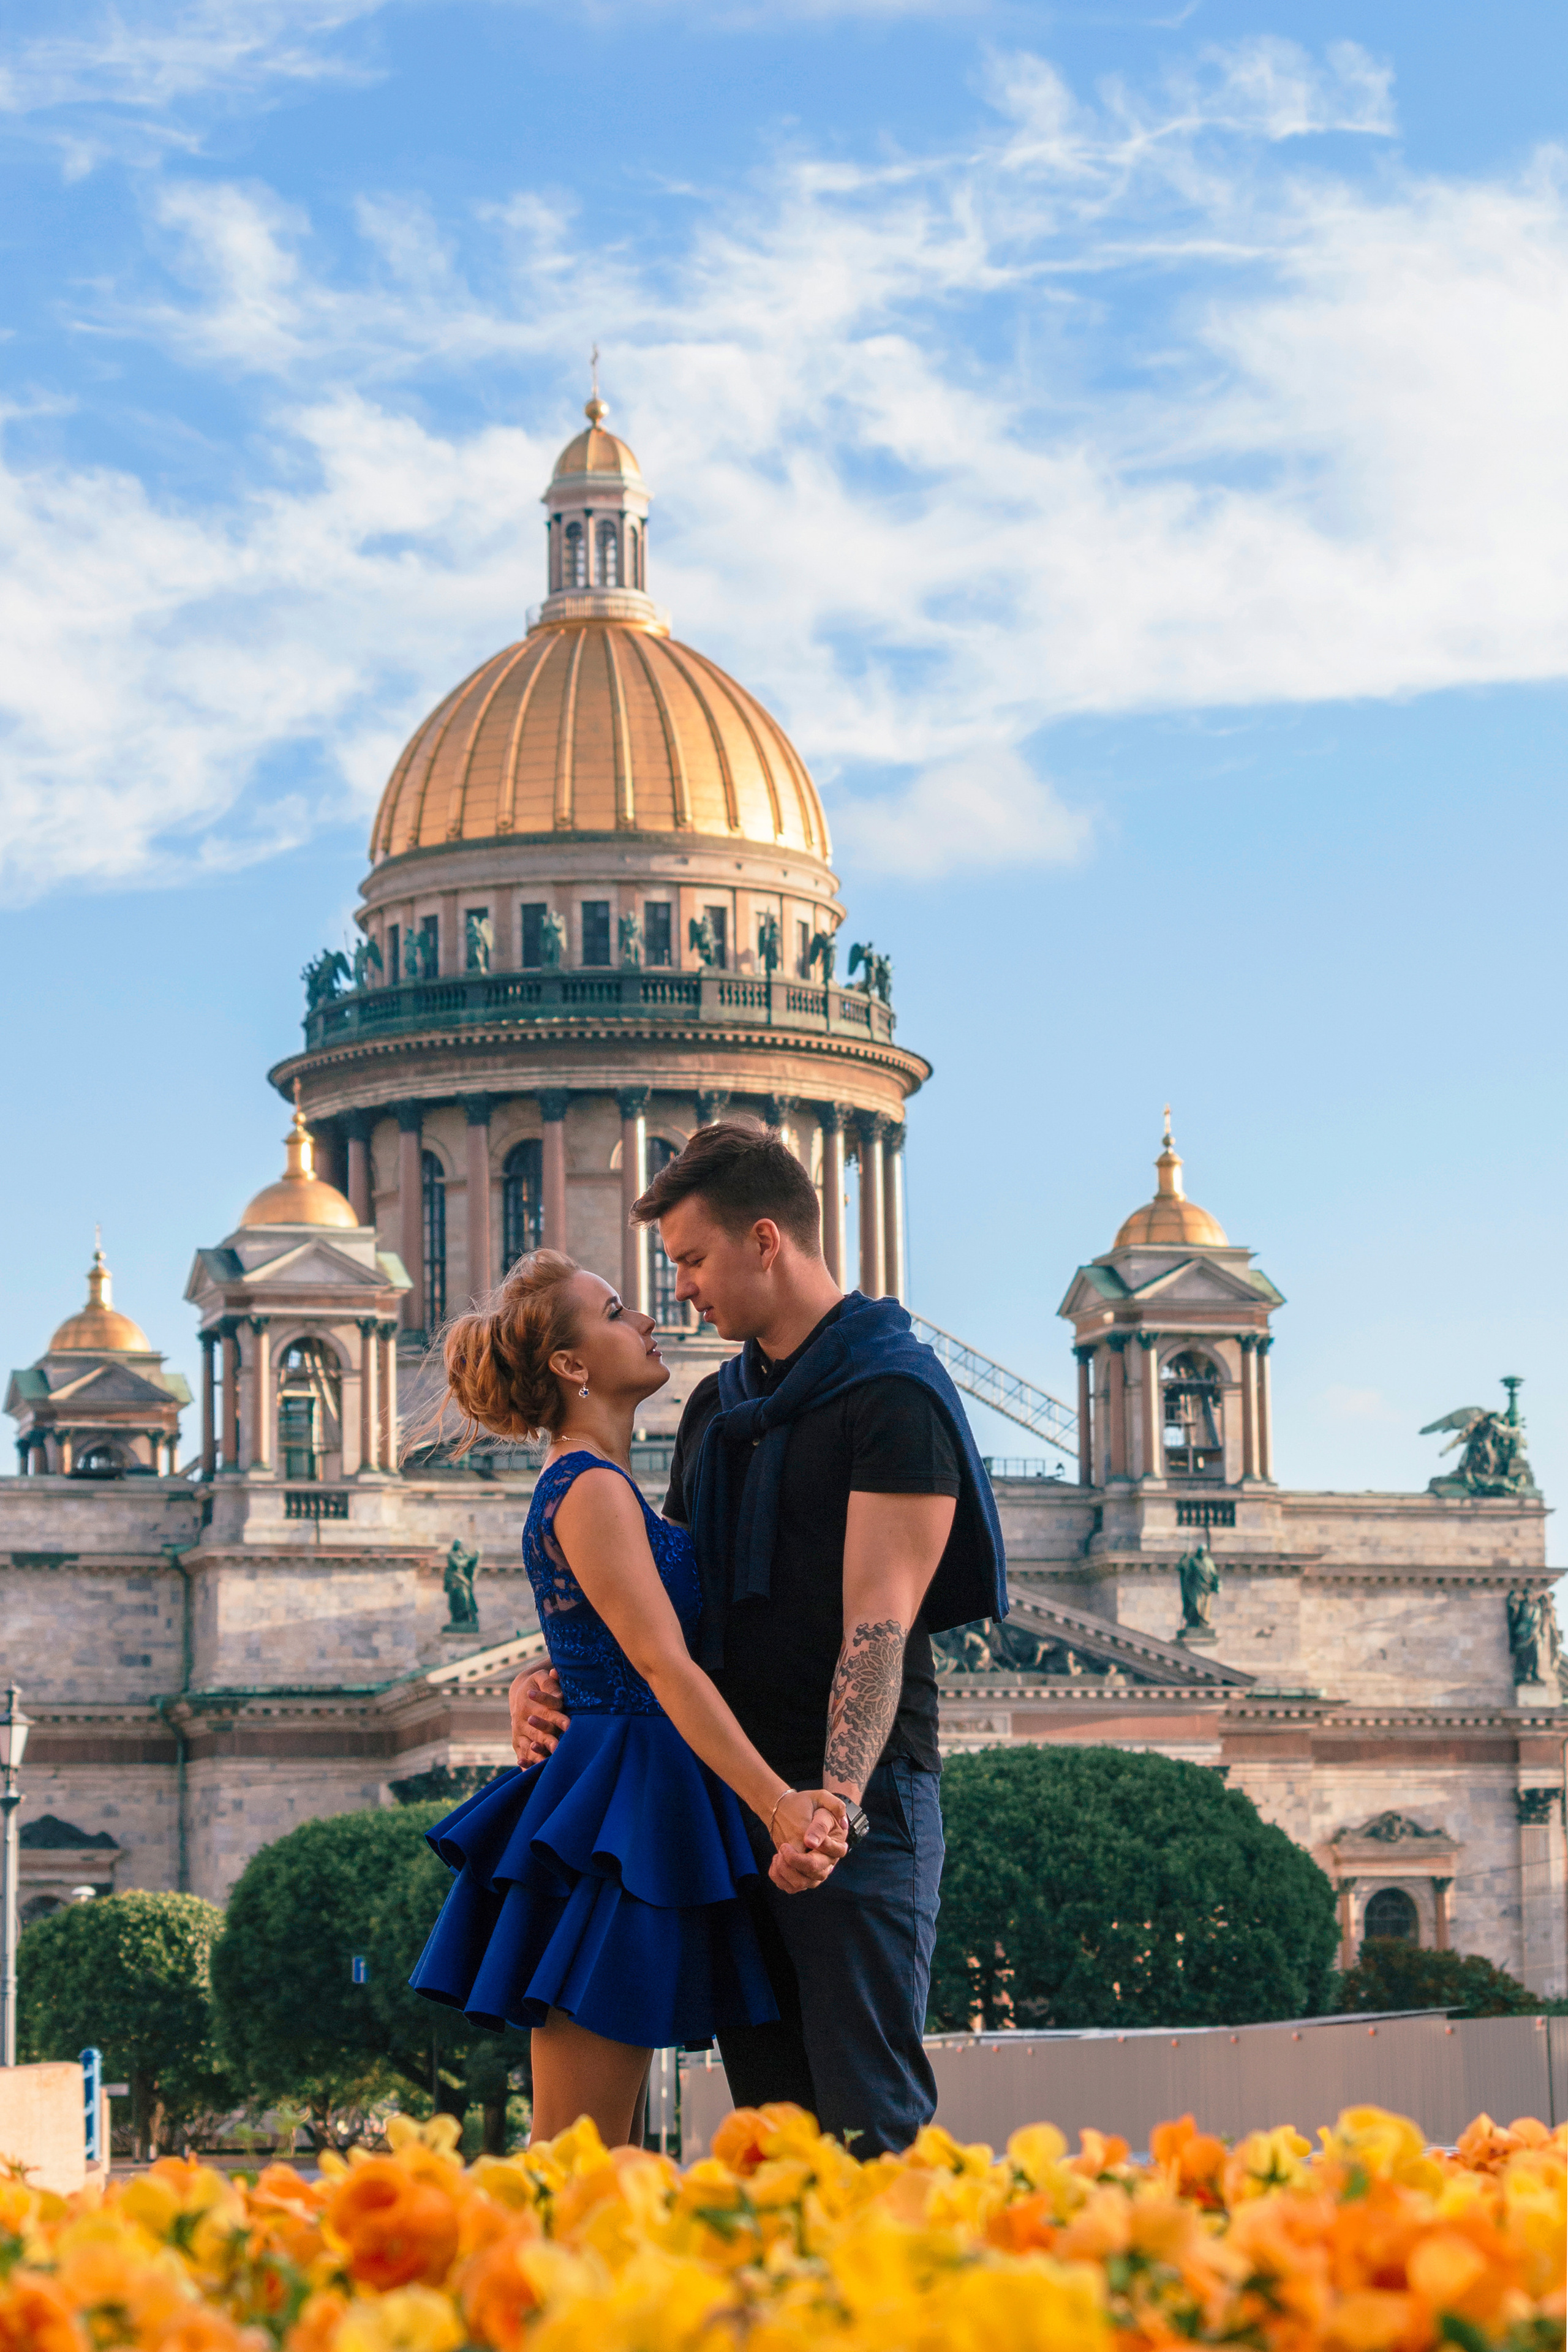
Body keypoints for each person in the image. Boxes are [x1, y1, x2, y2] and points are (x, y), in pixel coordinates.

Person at [511, 1121, 1007, 2154]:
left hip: (853, 1814)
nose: (678, 1291)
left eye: (692, 1259)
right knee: (772, 2138)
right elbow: (661, 1607)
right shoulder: (718, 1406)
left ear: (766, 1240)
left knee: (868, 2128)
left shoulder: (893, 1393)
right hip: (735, 1809)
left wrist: (825, 1812)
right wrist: (549, 1675)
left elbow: (878, 1624)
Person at [407, 1248, 850, 2148]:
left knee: (597, 2151)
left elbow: (609, 1636)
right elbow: (662, 1664)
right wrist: (780, 1805)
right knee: (581, 2152)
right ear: (571, 1364)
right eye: (615, 1312)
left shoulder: (605, 1482)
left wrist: (540, 1675)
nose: (647, 1320)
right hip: (621, 1817)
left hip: (629, 1800)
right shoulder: (592, 1486)